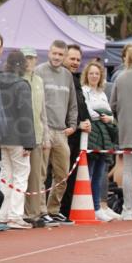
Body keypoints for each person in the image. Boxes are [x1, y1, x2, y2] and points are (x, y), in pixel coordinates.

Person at [35, 40, 78, 224]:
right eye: (55, 53)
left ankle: (53, 209)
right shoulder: (39, 71)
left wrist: (73, 124)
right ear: (49, 52)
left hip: (61, 132)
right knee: (41, 173)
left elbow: (73, 103)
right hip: (44, 130)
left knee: (62, 173)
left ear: (64, 56)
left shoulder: (67, 75)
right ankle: (41, 210)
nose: (57, 57)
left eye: (61, 54)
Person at [0, 51, 35, 229]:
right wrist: (29, 142)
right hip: (18, 136)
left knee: (6, 176)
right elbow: (25, 114)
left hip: (0, 136)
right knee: (20, 175)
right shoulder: (22, 85)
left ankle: (3, 214)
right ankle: (15, 215)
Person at [82, 60, 118, 221]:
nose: (94, 76)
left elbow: (109, 114)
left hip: (104, 139)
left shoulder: (103, 94)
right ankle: (89, 206)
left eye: (97, 73)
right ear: (86, 75)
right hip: (91, 138)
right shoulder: (84, 91)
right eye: (91, 73)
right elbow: (89, 112)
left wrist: (108, 118)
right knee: (88, 174)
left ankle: (97, 207)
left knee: (99, 174)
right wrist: (102, 114)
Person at [59, 44, 93, 219]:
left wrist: (87, 120)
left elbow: (81, 105)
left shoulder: (76, 79)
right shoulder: (61, 79)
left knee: (71, 174)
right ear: (64, 58)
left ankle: (66, 210)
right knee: (61, 173)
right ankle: (59, 210)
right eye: (72, 58)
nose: (75, 62)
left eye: (78, 59)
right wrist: (77, 125)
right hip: (65, 134)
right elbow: (61, 108)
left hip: (78, 136)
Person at [21, 47, 50, 227]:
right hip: (23, 135)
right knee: (21, 174)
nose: (28, 61)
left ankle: (34, 212)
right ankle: (20, 212)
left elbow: (43, 112)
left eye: (31, 58)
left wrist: (46, 136)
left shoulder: (39, 80)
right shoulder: (17, 79)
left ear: (36, 60)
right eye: (25, 58)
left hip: (38, 134)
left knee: (37, 176)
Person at [109, 45, 132, 220]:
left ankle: (127, 208)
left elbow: (112, 105)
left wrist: (121, 118)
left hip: (127, 130)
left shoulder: (120, 78)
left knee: (127, 170)